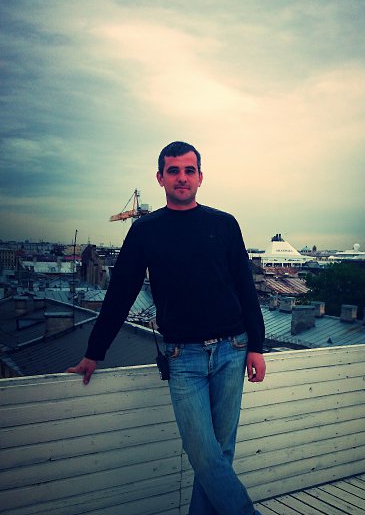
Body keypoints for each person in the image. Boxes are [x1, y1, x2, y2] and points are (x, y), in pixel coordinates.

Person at [68, 141, 266, 515]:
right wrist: (95, 352)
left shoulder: (224, 224)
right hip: (183, 358)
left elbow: (245, 287)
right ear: (160, 178)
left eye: (189, 170)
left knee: (218, 454)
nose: (182, 178)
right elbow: (121, 294)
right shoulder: (145, 230)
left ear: (201, 177)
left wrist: (256, 345)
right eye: (173, 170)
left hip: (233, 350)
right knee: (205, 454)